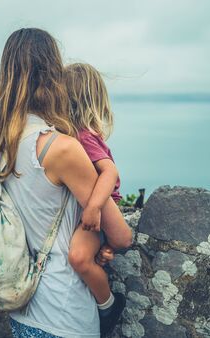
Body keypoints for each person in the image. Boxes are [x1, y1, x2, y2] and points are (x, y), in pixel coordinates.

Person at [0, 28, 132, 338]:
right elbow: (122, 236)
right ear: (52, 76)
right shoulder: (61, 148)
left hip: (23, 313)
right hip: (64, 316)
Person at [64, 63, 128, 335]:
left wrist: (93, 207)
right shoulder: (72, 135)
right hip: (92, 210)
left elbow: (109, 171)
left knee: (79, 258)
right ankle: (106, 249)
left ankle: (108, 306)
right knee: (92, 254)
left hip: (98, 210)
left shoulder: (82, 136)